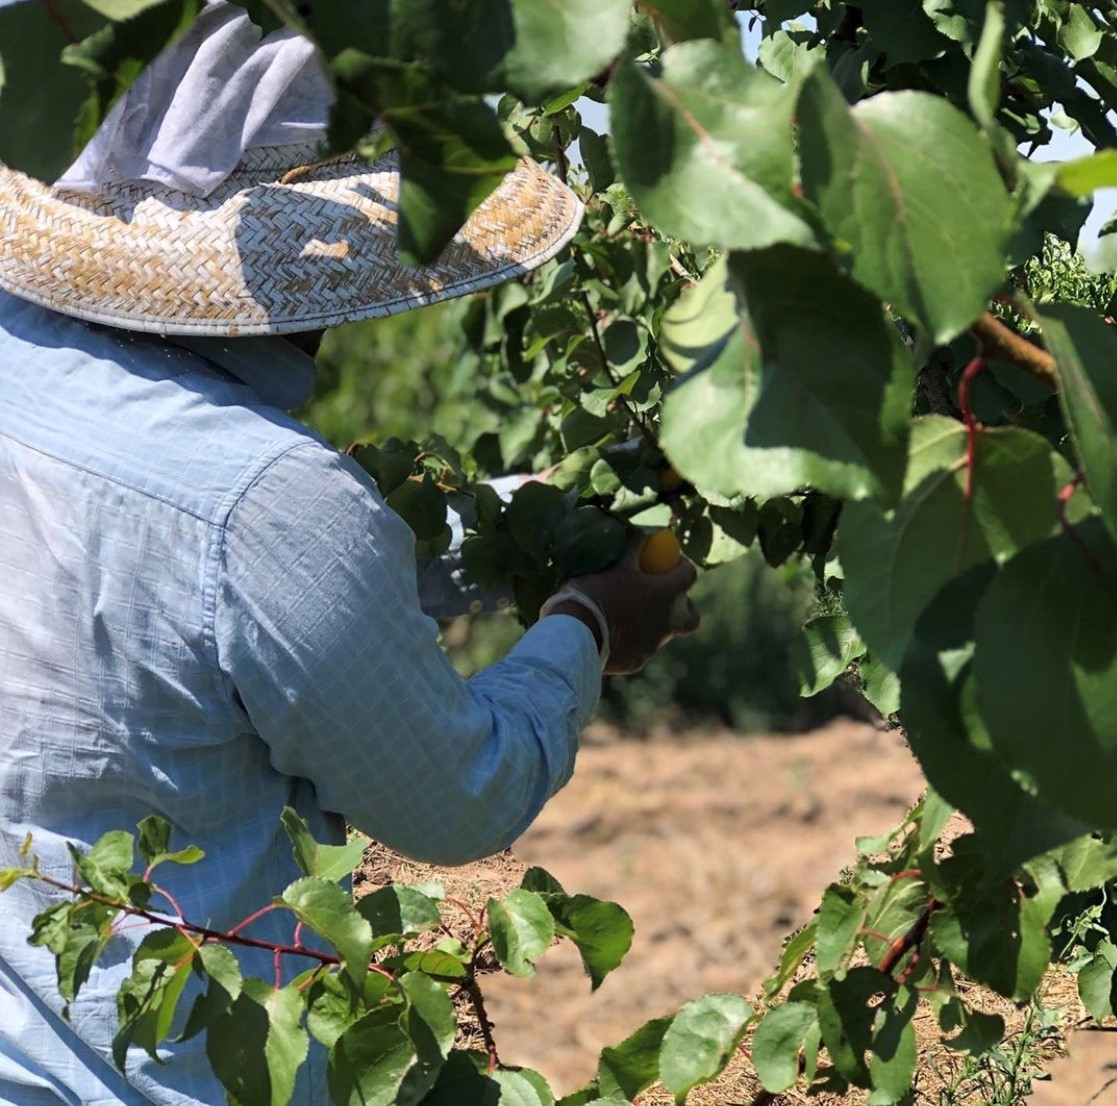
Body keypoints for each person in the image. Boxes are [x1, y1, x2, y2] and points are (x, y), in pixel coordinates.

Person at [0, 6, 698, 1105]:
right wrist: (593, 621)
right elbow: (455, 795)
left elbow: (202, 595)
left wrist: (518, 520)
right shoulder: (270, 502)